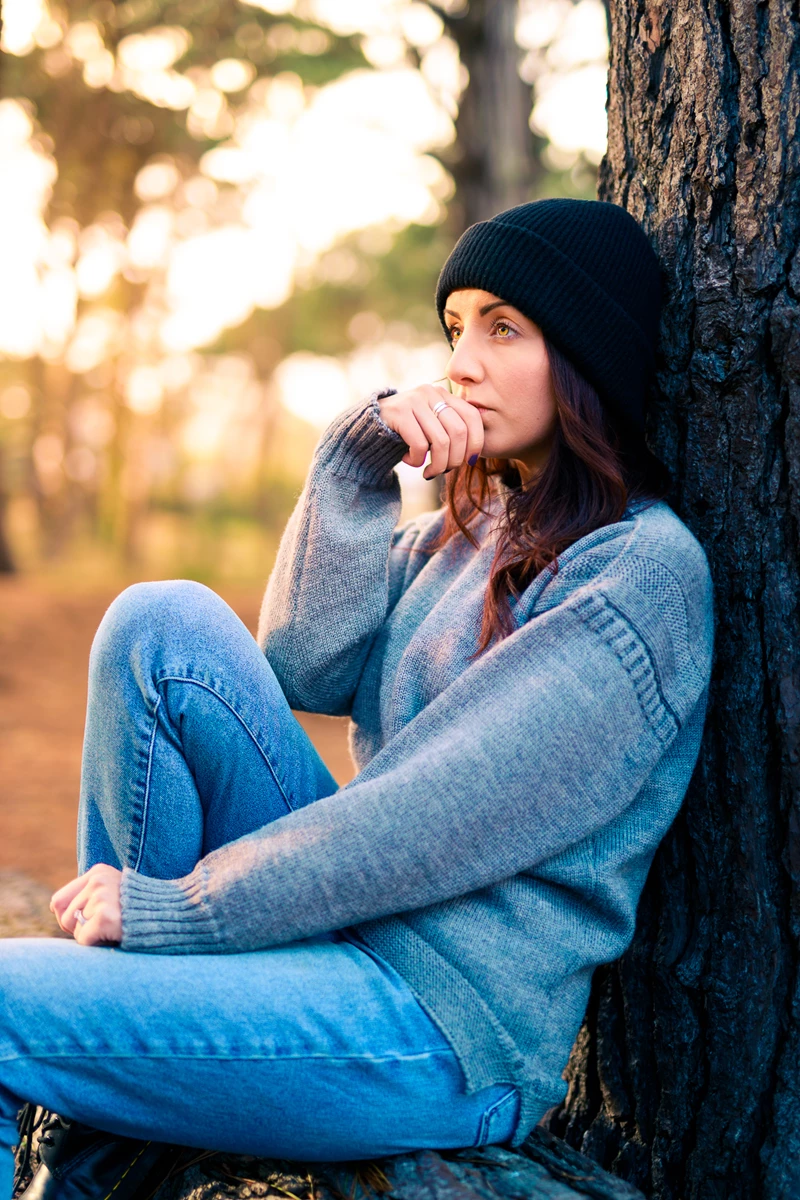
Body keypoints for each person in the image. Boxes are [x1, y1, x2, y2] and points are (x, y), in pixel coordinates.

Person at [2, 198, 714, 1200]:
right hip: (342, 945)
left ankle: (112, 1077)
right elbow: (301, 664)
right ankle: (127, 1078)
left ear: (586, 357)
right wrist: (356, 454)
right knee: (159, 625)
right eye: (453, 326)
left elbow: (423, 821)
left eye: (501, 328)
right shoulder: (462, 539)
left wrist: (178, 914)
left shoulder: (638, 576)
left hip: (439, 1032)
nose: (459, 361)